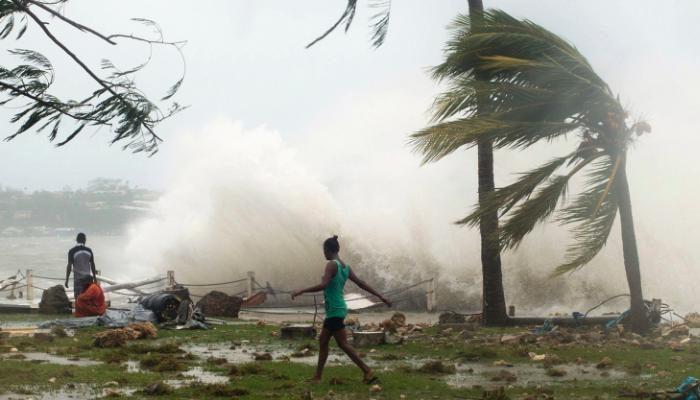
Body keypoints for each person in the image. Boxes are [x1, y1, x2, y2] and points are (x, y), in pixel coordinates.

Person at [292, 235, 391, 384]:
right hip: (338, 308)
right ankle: (318, 377)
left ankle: (367, 371)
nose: (323, 253)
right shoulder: (345, 267)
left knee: (342, 343)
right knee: (324, 341)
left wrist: (302, 290)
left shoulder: (332, 264)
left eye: (323, 250)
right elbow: (361, 283)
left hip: (334, 310)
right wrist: (381, 297)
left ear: (327, 250)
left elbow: (324, 284)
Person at [64, 233, 97, 299]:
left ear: (77, 240)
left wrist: (67, 279)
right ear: (84, 240)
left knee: (78, 300)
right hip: (88, 279)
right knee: (88, 300)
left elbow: (69, 266)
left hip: (78, 280)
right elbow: (92, 264)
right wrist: (94, 278)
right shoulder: (89, 250)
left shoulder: (72, 251)